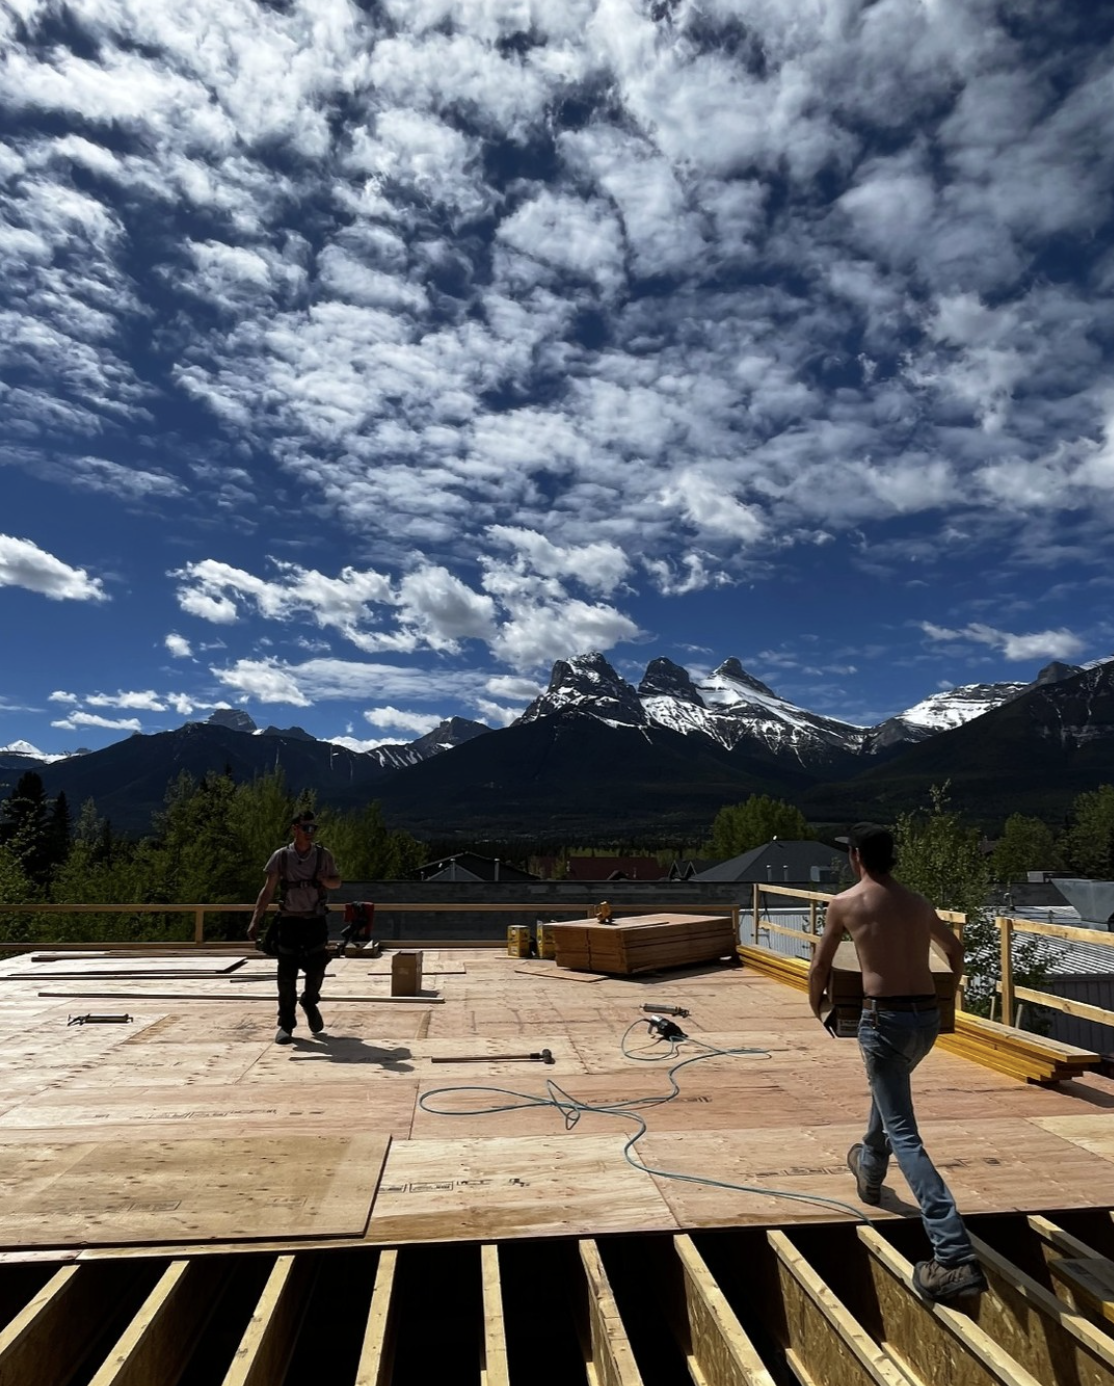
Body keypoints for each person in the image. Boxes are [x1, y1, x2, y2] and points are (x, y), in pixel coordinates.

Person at [808, 821, 987, 1302]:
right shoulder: (918, 902)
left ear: (856, 858)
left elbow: (822, 964)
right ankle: (868, 1169)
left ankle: (952, 1255)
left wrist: (816, 1004)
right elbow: (953, 949)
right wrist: (951, 990)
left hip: (883, 1021)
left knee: (904, 1132)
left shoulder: (845, 904)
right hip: (926, 1020)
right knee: (889, 1097)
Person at [247, 811, 342, 1045]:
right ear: (295, 829)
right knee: (286, 977)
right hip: (289, 921)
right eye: (306, 828)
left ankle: (310, 1001)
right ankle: (286, 1025)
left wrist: (323, 881)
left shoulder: (323, 856)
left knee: (317, 970)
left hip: (315, 921)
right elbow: (268, 889)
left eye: (313, 829)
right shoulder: (281, 857)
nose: (310, 833)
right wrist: (255, 919)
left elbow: (336, 882)